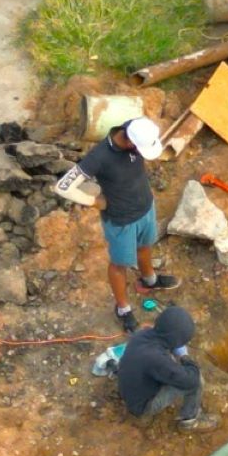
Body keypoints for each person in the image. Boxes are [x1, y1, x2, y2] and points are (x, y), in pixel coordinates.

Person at [76, 115, 179, 331]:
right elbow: (63, 187)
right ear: (131, 142)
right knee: (119, 264)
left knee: (145, 246)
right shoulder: (99, 156)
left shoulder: (135, 129)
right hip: (121, 220)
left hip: (145, 208)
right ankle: (123, 308)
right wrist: (96, 202)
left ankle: (149, 280)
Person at [116, 304, 216, 429]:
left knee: (171, 364)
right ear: (174, 340)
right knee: (197, 382)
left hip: (128, 390)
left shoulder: (142, 334)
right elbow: (191, 380)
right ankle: (190, 421)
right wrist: (185, 357)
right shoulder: (157, 360)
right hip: (141, 406)